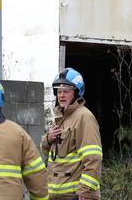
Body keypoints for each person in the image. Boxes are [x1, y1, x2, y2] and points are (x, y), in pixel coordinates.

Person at [41, 68, 102, 200]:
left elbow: (93, 158)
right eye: (59, 91)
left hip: (76, 196)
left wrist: (85, 191)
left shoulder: (84, 117)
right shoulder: (61, 117)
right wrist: (48, 138)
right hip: (57, 195)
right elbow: (49, 153)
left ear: (76, 93)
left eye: (66, 91)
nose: (61, 95)